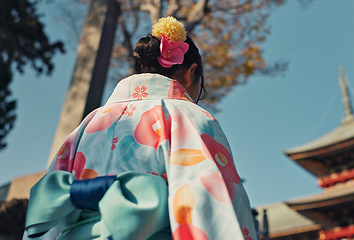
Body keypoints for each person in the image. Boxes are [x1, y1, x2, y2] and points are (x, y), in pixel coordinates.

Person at [24, 16, 257, 240]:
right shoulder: (190, 116)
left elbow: (47, 213)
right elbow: (214, 202)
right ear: (191, 71)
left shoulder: (87, 125)